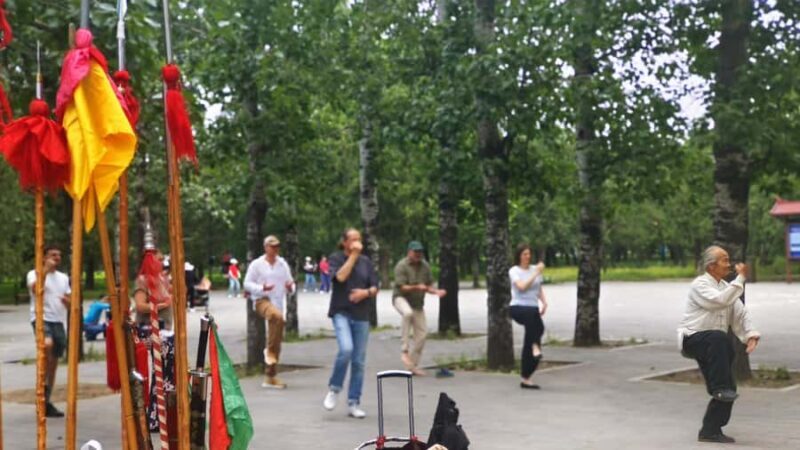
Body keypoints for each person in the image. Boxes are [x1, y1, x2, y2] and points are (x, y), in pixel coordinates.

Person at [678, 245, 760, 444]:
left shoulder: (726, 287)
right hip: (694, 339)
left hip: (715, 345)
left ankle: (710, 430)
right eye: (725, 260)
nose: (729, 264)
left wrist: (750, 334)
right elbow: (719, 302)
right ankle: (720, 387)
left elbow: (740, 313)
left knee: (729, 387)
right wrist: (740, 279)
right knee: (720, 339)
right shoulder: (700, 285)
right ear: (711, 266)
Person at [322, 228, 379, 419]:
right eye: (353, 240)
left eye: (359, 239)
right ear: (345, 242)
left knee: (359, 361)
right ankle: (334, 388)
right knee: (346, 349)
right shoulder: (336, 258)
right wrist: (353, 256)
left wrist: (366, 293)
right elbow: (340, 277)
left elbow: (375, 286)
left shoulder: (366, 262)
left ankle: (354, 402)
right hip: (341, 312)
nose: (357, 243)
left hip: (361, 315)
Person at [244, 235, 295, 389]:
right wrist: (261, 288)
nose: (275, 249)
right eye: (272, 246)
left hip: (278, 303)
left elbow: (290, 284)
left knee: (276, 340)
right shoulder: (257, 264)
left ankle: (270, 375)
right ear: (265, 247)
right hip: (262, 300)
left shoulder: (282, 264)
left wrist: (290, 287)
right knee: (276, 316)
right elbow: (246, 284)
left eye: (277, 246)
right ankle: (270, 353)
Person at [27, 245, 71, 418]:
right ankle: (40, 390)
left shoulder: (63, 277)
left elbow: (70, 299)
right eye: (53, 255)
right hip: (40, 318)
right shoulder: (34, 273)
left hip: (58, 321)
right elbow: (35, 289)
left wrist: (67, 301)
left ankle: (46, 397)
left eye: (59, 255)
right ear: (44, 257)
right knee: (47, 344)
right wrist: (44, 270)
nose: (57, 258)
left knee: (54, 363)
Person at [392, 241, 446, 376]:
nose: (418, 255)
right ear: (409, 252)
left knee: (422, 335)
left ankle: (412, 365)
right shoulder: (402, 266)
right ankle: (404, 350)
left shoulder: (425, 266)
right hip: (401, 298)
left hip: (417, 304)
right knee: (407, 313)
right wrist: (417, 287)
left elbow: (428, 286)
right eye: (415, 252)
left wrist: (436, 292)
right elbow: (402, 287)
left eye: (420, 252)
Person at [508, 243, 547, 389]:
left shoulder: (534, 269)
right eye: (524, 254)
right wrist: (536, 273)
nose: (527, 257)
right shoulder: (514, 271)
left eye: (529, 254)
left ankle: (526, 377)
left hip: (532, 307)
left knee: (538, 329)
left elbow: (539, 287)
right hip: (518, 307)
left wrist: (544, 302)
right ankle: (535, 346)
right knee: (533, 326)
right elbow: (522, 287)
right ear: (519, 256)